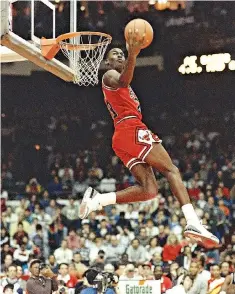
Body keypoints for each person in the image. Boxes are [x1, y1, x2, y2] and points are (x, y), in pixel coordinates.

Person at [78, 30, 219, 248]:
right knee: (171, 170)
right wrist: (133, 54)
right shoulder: (109, 77)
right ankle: (193, 221)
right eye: (115, 54)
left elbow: (126, 81)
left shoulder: (123, 84)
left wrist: (131, 56)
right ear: (107, 61)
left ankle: (97, 200)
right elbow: (124, 80)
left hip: (123, 136)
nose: (120, 56)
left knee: (149, 191)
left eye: (122, 54)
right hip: (130, 128)